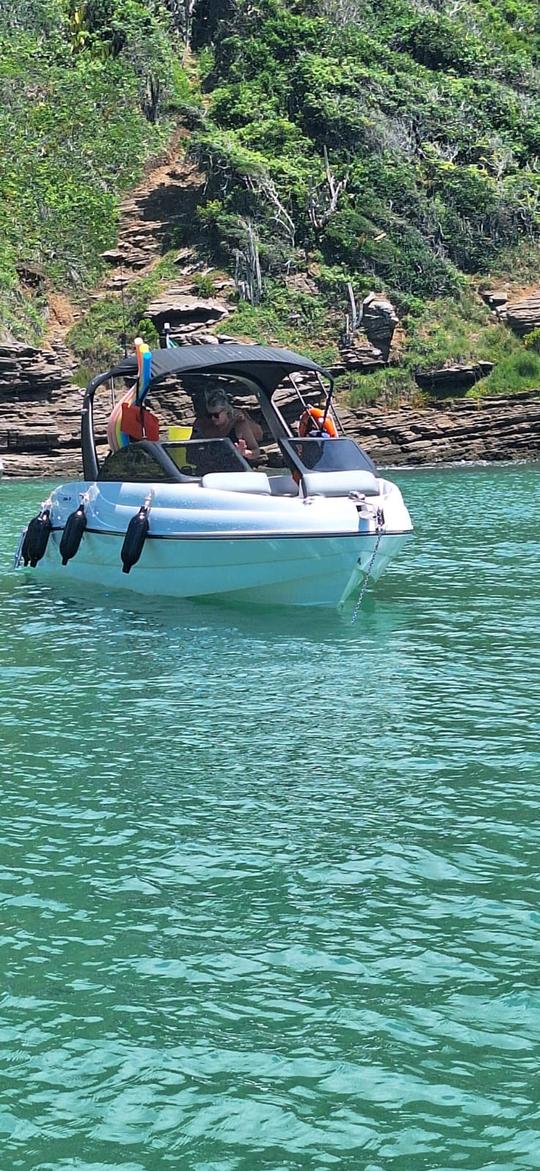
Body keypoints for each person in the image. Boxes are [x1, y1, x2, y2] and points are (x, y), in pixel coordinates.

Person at [195, 388, 263, 460]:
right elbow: (190, 453)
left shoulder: (239, 425)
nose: (212, 418)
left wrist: (245, 453)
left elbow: (256, 451)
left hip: (235, 468)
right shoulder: (203, 424)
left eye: (216, 415)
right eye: (209, 415)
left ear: (226, 411)